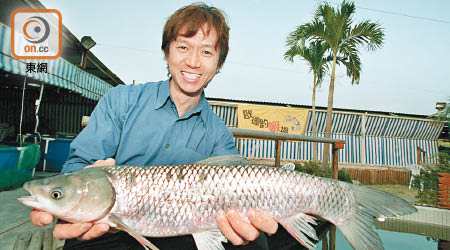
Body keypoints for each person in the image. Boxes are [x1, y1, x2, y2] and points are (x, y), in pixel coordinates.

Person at [30, 3, 278, 250]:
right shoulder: (121, 100)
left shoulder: (218, 136)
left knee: (255, 243)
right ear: (167, 52)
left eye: (206, 52)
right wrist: (83, 179)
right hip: (109, 226)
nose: (192, 62)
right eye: (183, 47)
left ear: (219, 64)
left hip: (180, 231)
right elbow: (78, 165)